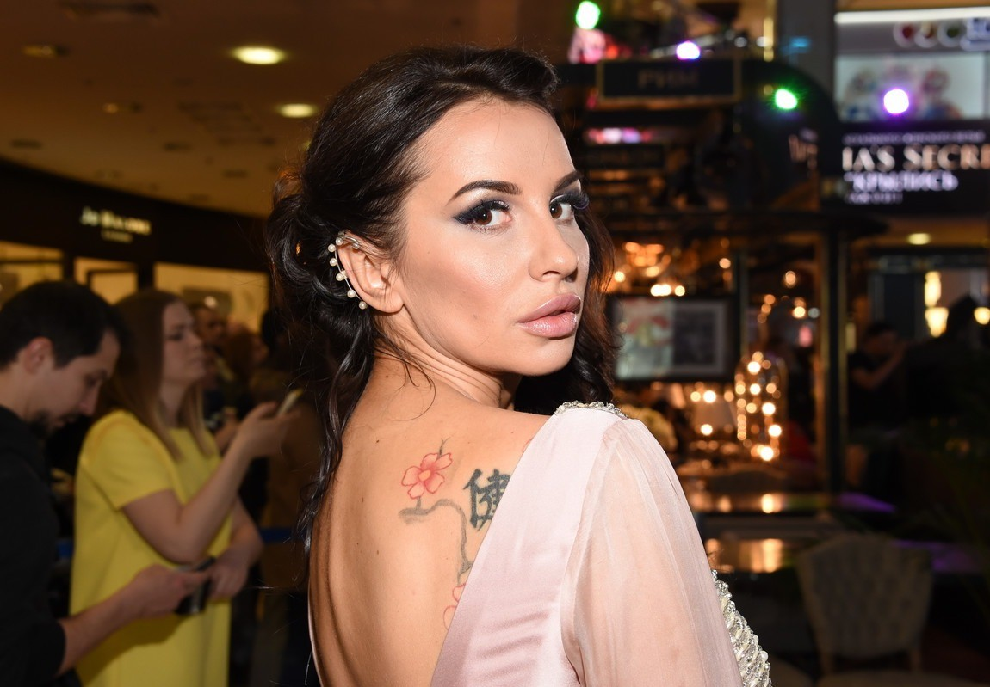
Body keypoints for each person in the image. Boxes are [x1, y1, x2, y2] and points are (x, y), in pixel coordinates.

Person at [266, 46, 769, 685]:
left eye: (563, 205)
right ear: (371, 268)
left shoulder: (347, 479)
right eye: (486, 213)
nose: (562, 255)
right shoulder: (587, 462)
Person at [69, 290, 291, 687]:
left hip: (196, 650)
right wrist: (242, 450)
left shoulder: (193, 439)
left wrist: (235, 558)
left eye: (193, 331)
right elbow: (182, 542)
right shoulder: (117, 435)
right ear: (142, 351)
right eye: (177, 335)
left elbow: (245, 531)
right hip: (134, 660)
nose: (196, 343)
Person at [0, 281, 204, 687]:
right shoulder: (13, 483)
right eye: (89, 380)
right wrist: (129, 605)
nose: (88, 404)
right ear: (38, 355)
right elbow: (15, 661)